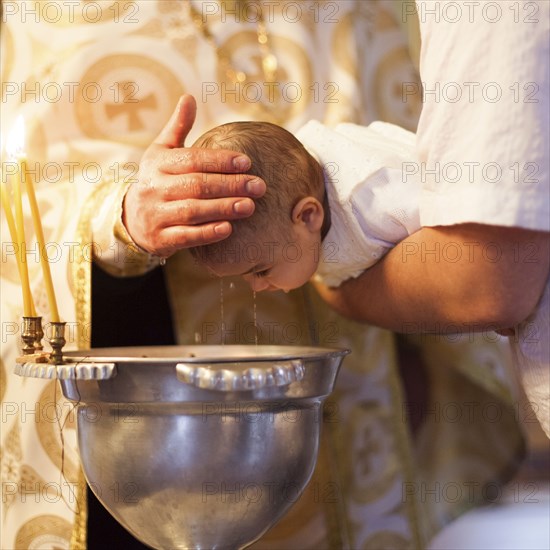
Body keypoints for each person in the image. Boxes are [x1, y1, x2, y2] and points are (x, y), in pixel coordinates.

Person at [0, 2, 526, 549]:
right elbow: (19, 189)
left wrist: (422, 356)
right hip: (149, 431)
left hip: (363, 391)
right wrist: (124, 218)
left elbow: (429, 177)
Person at [188, 119, 421, 292]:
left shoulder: (377, 200)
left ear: (308, 216)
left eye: (261, 271)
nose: (256, 288)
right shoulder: (293, 196)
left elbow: (449, 223)